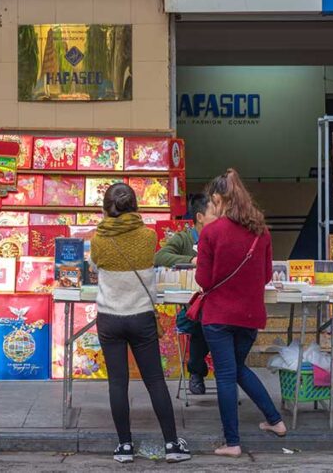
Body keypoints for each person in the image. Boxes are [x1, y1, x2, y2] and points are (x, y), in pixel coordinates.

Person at [90, 183, 191, 464]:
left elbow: (94, 266)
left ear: (105, 208)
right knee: (155, 381)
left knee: (117, 383)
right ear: (135, 205)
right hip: (141, 316)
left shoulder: (98, 239)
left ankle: (124, 446)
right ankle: (172, 444)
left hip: (109, 318)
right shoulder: (147, 237)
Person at [196, 169, 285, 458]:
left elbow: (204, 281)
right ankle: (276, 421)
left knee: (225, 374)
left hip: (219, 316)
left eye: (214, 201)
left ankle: (232, 442)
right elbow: (267, 274)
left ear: (220, 199)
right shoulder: (262, 232)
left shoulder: (211, 232)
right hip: (250, 315)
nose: (213, 206)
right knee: (238, 369)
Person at [154, 193, 215, 395]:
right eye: (215, 213)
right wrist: (192, 260)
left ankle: (218, 372)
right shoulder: (185, 238)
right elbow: (160, 256)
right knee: (202, 321)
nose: (220, 218)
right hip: (192, 308)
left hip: (219, 303)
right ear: (200, 217)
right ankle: (197, 371)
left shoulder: (220, 238)